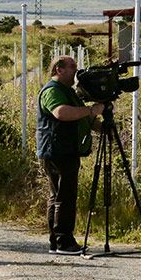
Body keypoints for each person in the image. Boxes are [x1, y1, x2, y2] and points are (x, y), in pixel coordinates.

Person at [35, 55, 104, 255]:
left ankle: (57, 241)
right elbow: (61, 113)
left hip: (65, 148)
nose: (76, 70)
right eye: (72, 66)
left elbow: (80, 118)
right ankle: (63, 241)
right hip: (57, 149)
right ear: (59, 69)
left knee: (59, 195)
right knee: (64, 196)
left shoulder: (67, 91)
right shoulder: (52, 91)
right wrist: (91, 111)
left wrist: (101, 125)